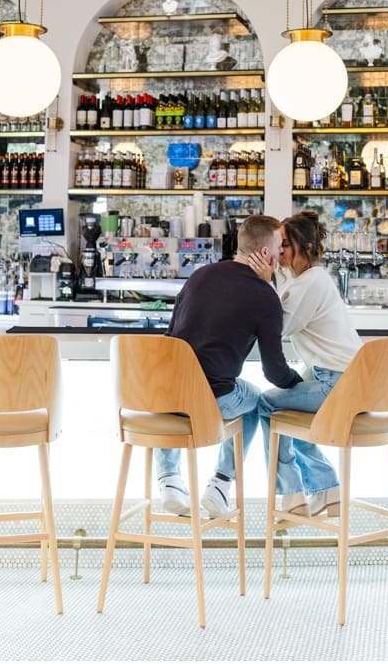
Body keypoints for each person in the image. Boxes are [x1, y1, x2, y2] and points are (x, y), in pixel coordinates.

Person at [155, 215, 302, 518]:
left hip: (162, 394)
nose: (280, 255)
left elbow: (169, 341)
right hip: (212, 400)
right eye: (278, 246)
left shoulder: (199, 275)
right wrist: (298, 384)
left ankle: (169, 480)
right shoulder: (265, 297)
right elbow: (273, 371)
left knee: (173, 383)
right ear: (264, 252)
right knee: (257, 402)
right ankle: (220, 485)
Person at [236, 210, 361, 516]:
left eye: (285, 245)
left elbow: (276, 326)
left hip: (338, 384)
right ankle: (326, 489)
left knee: (267, 404)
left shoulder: (309, 283)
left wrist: (262, 283)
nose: (279, 251)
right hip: (351, 381)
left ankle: (292, 497)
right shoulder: (308, 281)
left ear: (304, 248)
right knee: (291, 412)